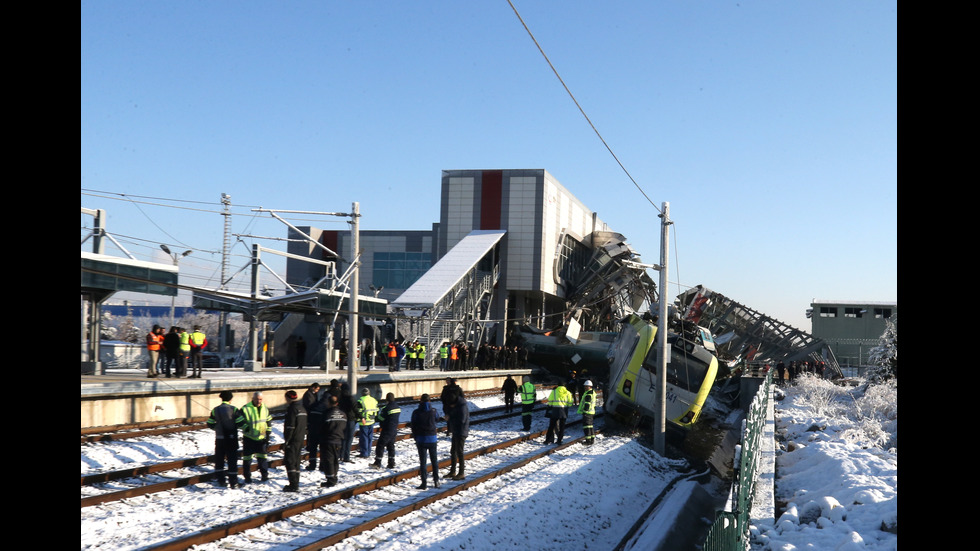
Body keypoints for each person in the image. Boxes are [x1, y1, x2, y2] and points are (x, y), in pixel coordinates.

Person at [236, 391, 273, 483]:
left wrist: (268, 433)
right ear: (252, 399)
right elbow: (238, 420)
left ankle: (264, 476)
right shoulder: (246, 408)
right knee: (247, 459)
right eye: (257, 399)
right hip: (249, 439)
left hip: (261, 439)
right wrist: (245, 427)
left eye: (260, 399)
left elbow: (268, 421)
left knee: (263, 458)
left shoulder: (265, 407)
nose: (259, 401)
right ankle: (247, 477)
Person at [206, 390, 240, 488]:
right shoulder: (234, 409)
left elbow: (210, 423)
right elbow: (240, 423)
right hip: (231, 439)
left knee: (219, 459)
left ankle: (221, 480)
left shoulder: (215, 410)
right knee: (232, 460)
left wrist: (217, 428)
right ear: (230, 399)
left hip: (219, 439)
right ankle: (233, 482)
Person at [410, 394, 441, 490]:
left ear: (421, 401)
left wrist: (416, 437)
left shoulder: (416, 412)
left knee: (423, 462)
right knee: (434, 460)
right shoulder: (434, 411)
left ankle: (424, 483)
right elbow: (437, 419)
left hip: (421, 439)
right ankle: (436, 481)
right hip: (432, 439)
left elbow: (413, 425)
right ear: (429, 401)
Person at [320, 394, 347, 488]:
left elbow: (322, 427)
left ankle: (331, 480)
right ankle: (334, 477)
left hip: (328, 440)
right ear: (337, 403)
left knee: (329, 461)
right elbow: (345, 427)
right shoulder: (343, 414)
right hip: (339, 440)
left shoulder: (326, 414)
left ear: (329, 403)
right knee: (335, 460)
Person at [282, 390, 307, 492]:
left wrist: (287, 440)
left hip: (293, 440)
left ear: (287, 398)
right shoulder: (302, 409)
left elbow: (290, 427)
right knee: (296, 462)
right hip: (300, 438)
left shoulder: (292, 410)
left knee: (290, 461)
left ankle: (293, 485)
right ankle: (296, 482)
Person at [443, 387, 470, 480]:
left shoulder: (462, 406)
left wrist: (450, 417)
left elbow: (462, 420)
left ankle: (461, 473)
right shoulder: (458, 405)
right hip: (456, 430)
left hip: (461, 431)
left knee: (460, 452)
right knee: (453, 451)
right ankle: (453, 471)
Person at [371, 393, 401, 469]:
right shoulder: (397, 407)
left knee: (380, 445)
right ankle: (391, 462)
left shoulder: (386, 408)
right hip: (394, 429)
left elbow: (381, 418)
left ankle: (377, 462)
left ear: (387, 399)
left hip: (387, 429)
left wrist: (375, 417)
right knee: (390, 446)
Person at [305, 385, 327, 471]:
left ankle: (312, 465)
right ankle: (322, 466)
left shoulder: (315, 405)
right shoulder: (327, 409)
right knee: (322, 450)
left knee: (312, 450)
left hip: (313, 431)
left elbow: (309, 418)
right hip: (322, 432)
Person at [354, 387, 379, 459]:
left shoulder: (361, 400)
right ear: (369, 393)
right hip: (372, 421)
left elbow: (359, 411)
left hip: (364, 422)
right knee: (370, 437)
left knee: (364, 437)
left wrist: (358, 420)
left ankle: (364, 453)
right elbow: (377, 410)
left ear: (362, 393)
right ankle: (368, 451)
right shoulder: (374, 400)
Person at [339, 383, 357, 462]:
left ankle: (341, 455)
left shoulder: (340, 398)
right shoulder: (350, 398)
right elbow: (355, 409)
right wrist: (361, 417)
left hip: (342, 420)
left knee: (343, 438)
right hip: (350, 420)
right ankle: (346, 457)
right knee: (349, 439)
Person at [577, 380, 597, 445]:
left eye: (586, 386)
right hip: (591, 412)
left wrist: (585, 412)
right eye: (585, 386)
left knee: (586, 427)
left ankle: (588, 441)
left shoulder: (588, 394)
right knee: (590, 426)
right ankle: (592, 440)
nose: (585, 388)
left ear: (589, 387)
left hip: (587, 413)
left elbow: (587, 403)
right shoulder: (592, 392)